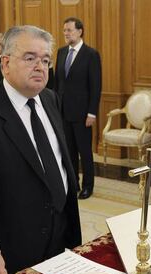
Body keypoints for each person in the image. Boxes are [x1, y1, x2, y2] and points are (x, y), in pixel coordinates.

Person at [0, 25, 82, 274]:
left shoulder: (50, 99)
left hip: (58, 239)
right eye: (30, 58)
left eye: (46, 60)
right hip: (8, 250)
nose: (40, 66)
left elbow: (59, 164)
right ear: (5, 64)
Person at [55, 17, 101, 200]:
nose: (66, 33)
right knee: (68, 151)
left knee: (84, 151)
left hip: (83, 114)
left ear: (80, 31)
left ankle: (88, 186)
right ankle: (73, 184)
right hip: (63, 111)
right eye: (64, 30)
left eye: (70, 30)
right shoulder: (60, 52)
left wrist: (92, 112)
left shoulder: (91, 54)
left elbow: (95, 86)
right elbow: (58, 83)